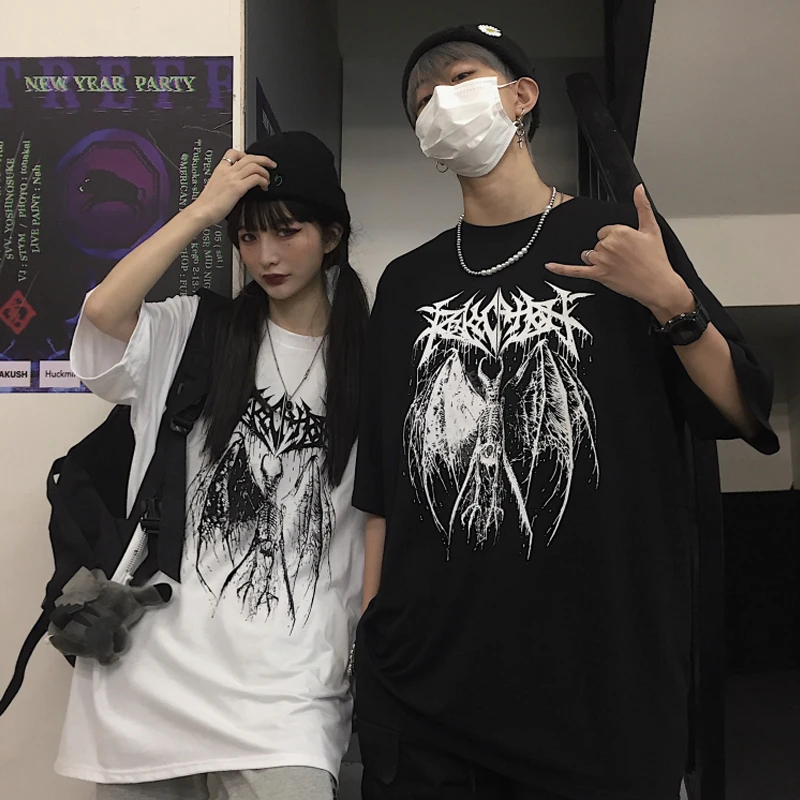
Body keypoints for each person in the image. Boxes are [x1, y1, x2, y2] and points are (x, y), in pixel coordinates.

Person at [353, 23, 779, 800]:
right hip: (429, 692)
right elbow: (385, 484)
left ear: (521, 95)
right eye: (421, 99)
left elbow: (742, 410)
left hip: (599, 693)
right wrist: (370, 637)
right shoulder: (407, 283)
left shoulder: (613, 237)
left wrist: (669, 299)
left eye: (459, 78)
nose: (439, 101)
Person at [56, 131, 368, 799]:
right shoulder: (196, 330)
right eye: (248, 237)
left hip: (290, 688)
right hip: (152, 674)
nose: (266, 256)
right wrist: (203, 211)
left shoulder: (372, 360)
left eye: (287, 231)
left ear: (332, 236)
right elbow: (104, 313)